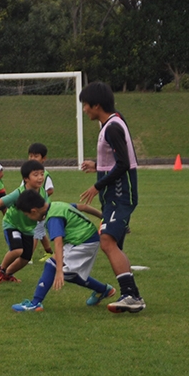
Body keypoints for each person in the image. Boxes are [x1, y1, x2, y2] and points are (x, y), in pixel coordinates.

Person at [79, 81, 145, 313]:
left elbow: (124, 164)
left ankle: (130, 295)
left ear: (96, 105)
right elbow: (118, 159)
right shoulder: (111, 122)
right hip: (114, 195)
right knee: (112, 243)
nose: (84, 109)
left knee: (107, 241)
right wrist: (97, 165)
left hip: (120, 194)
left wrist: (97, 185)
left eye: (86, 105)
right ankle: (132, 295)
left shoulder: (112, 127)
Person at [10, 190, 116, 312]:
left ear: (34, 211)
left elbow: (58, 243)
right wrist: (104, 218)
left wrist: (59, 270)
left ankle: (35, 303)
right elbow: (83, 207)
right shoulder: (56, 205)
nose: (29, 218)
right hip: (85, 239)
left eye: (27, 215)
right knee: (69, 274)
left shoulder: (53, 218)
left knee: (51, 265)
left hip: (83, 242)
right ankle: (103, 290)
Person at [0, 160, 49, 283]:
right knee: (17, 250)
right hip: (12, 225)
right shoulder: (18, 193)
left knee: (26, 257)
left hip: (28, 228)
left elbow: (46, 209)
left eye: (42, 174)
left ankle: (7, 274)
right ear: (26, 179)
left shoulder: (43, 193)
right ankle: (0, 270)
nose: (40, 178)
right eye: (36, 174)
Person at [28, 143, 55, 262]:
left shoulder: (44, 174)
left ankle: (27, 257)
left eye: (36, 156)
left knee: (35, 232)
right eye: (30, 156)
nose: (32, 159)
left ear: (43, 159)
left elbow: (50, 190)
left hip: (41, 208)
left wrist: (38, 198)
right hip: (32, 207)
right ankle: (49, 252)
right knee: (40, 232)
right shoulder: (27, 172)